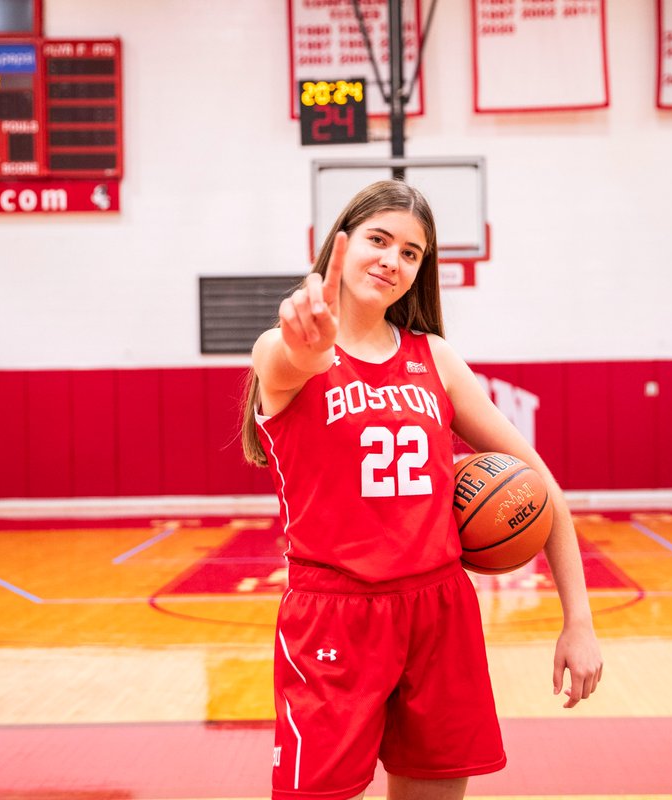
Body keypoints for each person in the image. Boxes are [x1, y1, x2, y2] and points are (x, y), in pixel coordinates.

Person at [240, 179, 603, 800]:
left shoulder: (434, 358)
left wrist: (580, 622)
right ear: (341, 243)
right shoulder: (288, 350)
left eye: (412, 252)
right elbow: (282, 360)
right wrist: (305, 347)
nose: (393, 260)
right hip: (334, 615)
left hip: (438, 612)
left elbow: (542, 485)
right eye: (379, 240)